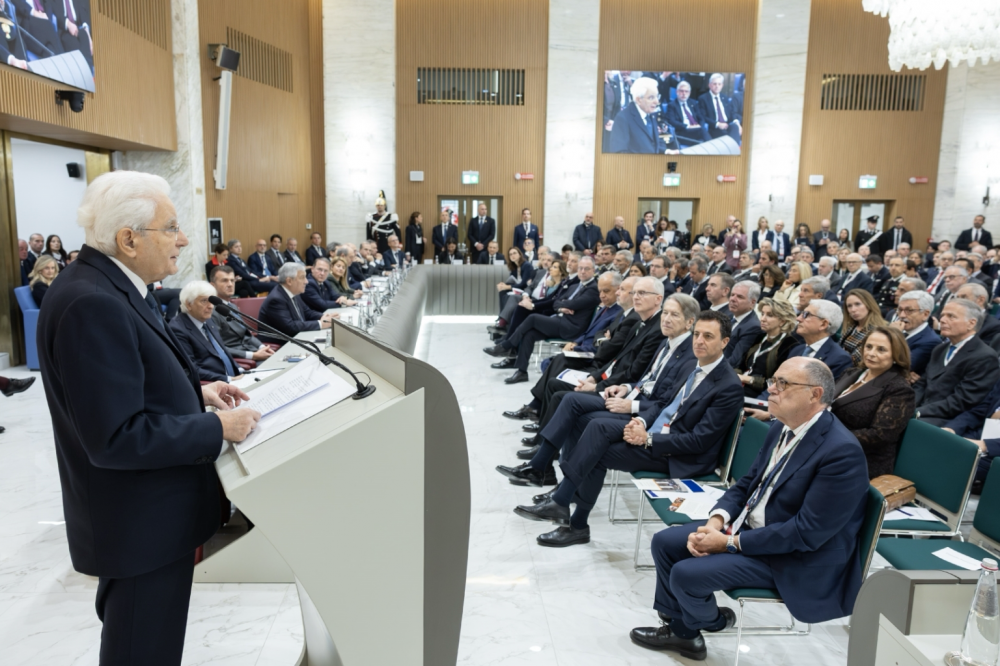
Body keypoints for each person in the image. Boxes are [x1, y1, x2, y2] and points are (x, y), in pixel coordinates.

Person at [36, 171, 260, 665]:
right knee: (141, 653)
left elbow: (122, 386)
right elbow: (116, 436)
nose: (183, 240)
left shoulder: (109, 285)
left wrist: (194, 392)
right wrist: (217, 427)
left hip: (144, 519)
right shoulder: (94, 302)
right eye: (172, 227)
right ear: (129, 239)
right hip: (139, 525)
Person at [629, 357, 869, 661]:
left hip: (794, 556)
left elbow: (806, 533)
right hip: (755, 529)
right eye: (773, 381)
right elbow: (746, 485)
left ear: (815, 394)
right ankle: (684, 629)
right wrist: (716, 522)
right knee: (665, 542)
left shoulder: (840, 451)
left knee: (686, 575)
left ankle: (708, 623)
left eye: (783, 383)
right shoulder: (781, 427)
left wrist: (729, 543)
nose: (772, 389)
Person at [512, 311, 743, 548]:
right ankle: (567, 510)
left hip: (680, 455)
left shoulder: (728, 386)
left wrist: (648, 439)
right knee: (590, 425)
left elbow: (698, 441)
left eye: (708, 336)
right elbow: (662, 403)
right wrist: (641, 422)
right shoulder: (691, 366)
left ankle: (571, 515)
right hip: (655, 432)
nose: (699, 341)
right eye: (696, 334)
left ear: (724, 342)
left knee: (598, 443)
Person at [487, 257, 601, 384]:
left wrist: (564, 304)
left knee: (533, 318)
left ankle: (507, 345)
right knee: (530, 334)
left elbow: (573, 304)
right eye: (580, 268)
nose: (582, 271)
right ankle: (521, 371)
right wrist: (561, 308)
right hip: (560, 321)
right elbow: (555, 302)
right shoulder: (574, 286)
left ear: (593, 270)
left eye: (586, 269)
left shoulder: (593, 289)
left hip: (572, 328)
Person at [830, 327, 916, 478]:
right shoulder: (851, 373)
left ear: (896, 355)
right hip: (831, 446)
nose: (871, 353)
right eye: (868, 347)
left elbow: (879, 436)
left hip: (861, 459)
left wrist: (830, 437)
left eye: (881, 350)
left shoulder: (899, 389)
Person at [914, 299, 1000, 425]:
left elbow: (962, 401)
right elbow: (922, 384)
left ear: (971, 323)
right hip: (922, 410)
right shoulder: (940, 349)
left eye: (951, 316)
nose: (942, 320)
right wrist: (907, 407)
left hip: (946, 419)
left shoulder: (984, 356)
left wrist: (917, 412)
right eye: (942, 315)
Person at [170, 282, 243, 383]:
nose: (211, 306)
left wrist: (240, 370)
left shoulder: (207, 320)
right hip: (215, 385)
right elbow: (192, 369)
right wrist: (229, 379)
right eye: (204, 301)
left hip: (234, 379)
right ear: (189, 304)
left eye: (211, 301)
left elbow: (222, 351)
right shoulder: (177, 329)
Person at [208, 266, 275, 364]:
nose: (230, 284)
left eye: (232, 280)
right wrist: (253, 355)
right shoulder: (210, 311)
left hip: (253, 351)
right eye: (224, 281)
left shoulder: (233, 306)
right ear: (212, 285)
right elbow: (217, 347)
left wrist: (262, 347)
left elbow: (247, 335)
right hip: (240, 360)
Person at [258, 263, 336, 344]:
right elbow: (290, 327)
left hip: (297, 338)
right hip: (280, 345)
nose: (306, 281)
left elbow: (307, 312)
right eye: (302, 277)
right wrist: (320, 324)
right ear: (289, 281)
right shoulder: (276, 299)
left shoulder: (294, 292)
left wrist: (324, 317)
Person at [736, 298, 799, 397]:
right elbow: (741, 365)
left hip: (759, 394)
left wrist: (748, 379)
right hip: (739, 385)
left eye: (769, 315)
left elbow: (778, 382)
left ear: (782, 321)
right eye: (762, 314)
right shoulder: (760, 336)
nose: (762, 319)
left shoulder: (790, 344)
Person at [609, 77, 680, 154]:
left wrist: (666, 151)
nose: (656, 101)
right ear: (639, 100)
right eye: (651, 97)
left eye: (657, 96)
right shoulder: (622, 118)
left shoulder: (651, 114)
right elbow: (619, 153)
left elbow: (651, 144)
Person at [789, 299, 853, 380]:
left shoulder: (840, 359)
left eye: (806, 314)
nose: (798, 318)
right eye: (801, 313)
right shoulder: (796, 350)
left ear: (823, 324)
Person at [892, 290, 941, 379]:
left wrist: (892, 336)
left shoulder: (930, 341)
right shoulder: (899, 329)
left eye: (909, 310)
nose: (902, 315)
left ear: (925, 314)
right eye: (900, 310)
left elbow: (898, 368)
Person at [840, 290, 887, 367]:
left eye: (857, 304)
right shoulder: (851, 327)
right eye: (849, 306)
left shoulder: (877, 331)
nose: (853, 309)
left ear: (869, 305)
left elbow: (855, 360)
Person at [697, 73, 742, 143]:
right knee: (728, 136)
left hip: (727, 125)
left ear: (722, 86)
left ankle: (734, 147)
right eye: (714, 84)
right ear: (709, 85)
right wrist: (717, 124)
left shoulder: (724, 97)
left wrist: (736, 122)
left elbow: (731, 112)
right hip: (714, 127)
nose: (717, 86)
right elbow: (703, 117)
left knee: (735, 127)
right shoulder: (703, 98)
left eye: (719, 84)